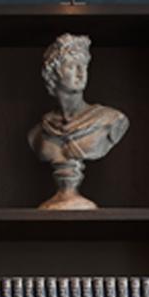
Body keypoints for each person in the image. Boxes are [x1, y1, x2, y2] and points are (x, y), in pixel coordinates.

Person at [29, 34, 129, 208]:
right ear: (53, 73)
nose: (81, 73)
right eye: (72, 66)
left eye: (84, 66)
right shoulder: (37, 133)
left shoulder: (110, 120)